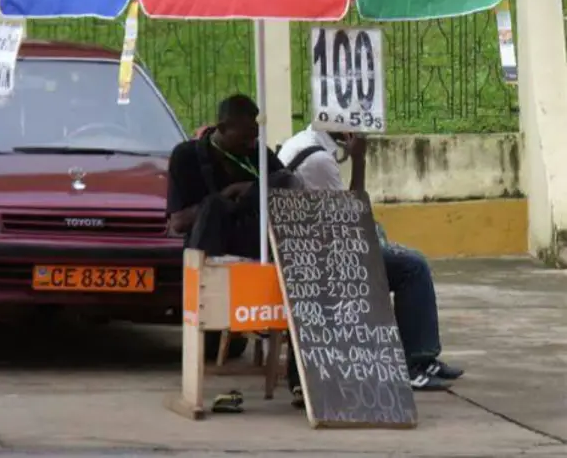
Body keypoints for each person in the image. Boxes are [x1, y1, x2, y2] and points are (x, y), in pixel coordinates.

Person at [277, 125, 464, 400]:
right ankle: (415, 363)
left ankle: (423, 358)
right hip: (322, 257)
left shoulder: (305, 141)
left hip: (313, 245)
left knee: (397, 252)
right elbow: (351, 216)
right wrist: (359, 161)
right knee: (413, 266)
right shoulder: (319, 160)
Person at [167, 93, 300, 260]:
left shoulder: (258, 153)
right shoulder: (187, 156)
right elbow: (178, 223)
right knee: (214, 205)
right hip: (209, 253)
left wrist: (255, 190)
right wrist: (227, 195)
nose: (251, 144)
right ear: (222, 128)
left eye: (254, 137)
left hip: (254, 253)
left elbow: (288, 187)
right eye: (244, 138)